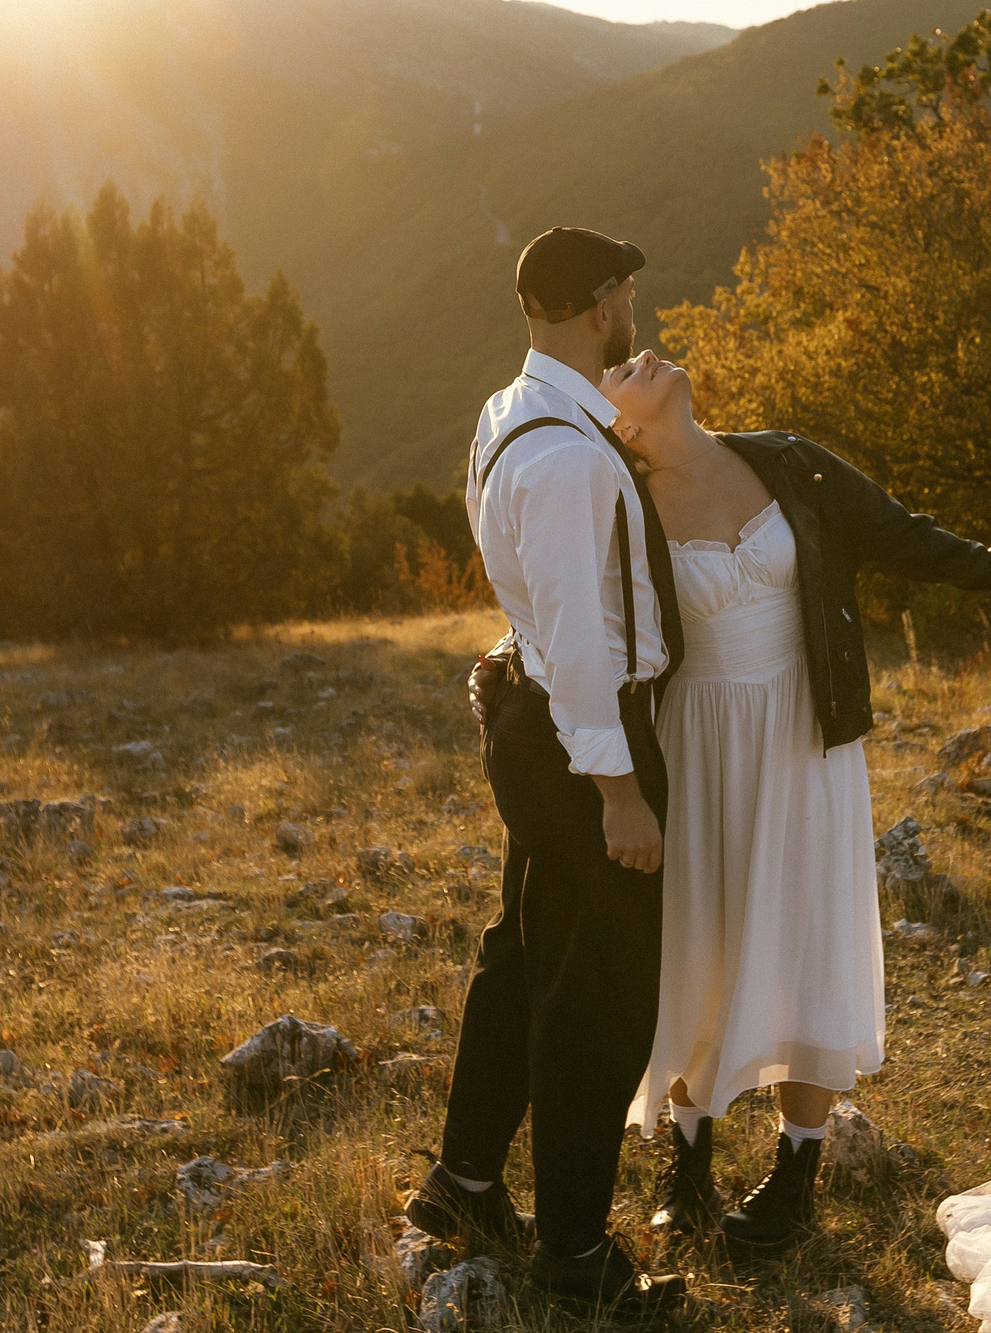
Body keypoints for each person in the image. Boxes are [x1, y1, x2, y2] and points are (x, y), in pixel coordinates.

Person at [597, 350, 991, 1258]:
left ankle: (795, 1178)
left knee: (806, 933)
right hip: (700, 737)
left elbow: (893, 530)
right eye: (619, 368)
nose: (641, 353)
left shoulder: (787, 458)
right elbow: (587, 624)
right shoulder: (623, 500)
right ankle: (688, 1170)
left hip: (807, 729)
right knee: (701, 934)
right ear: (621, 424)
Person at [404, 227, 688, 1322]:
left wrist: (509, 653)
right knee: (600, 992)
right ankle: (573, 1247)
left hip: (538, 720)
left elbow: (528, 583)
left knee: (524, 951)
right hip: (587, 734)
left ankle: (465, 1183)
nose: (631, 304)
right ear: (596, 308)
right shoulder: (568, 457)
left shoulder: (508, 410)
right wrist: (619, 786)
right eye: (623, 289)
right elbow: (580, 632)